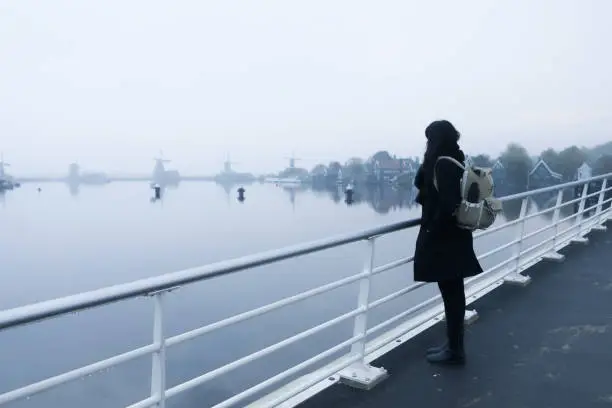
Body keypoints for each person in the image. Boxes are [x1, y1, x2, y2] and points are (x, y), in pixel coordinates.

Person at [413, 120, 483, 365]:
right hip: (455, 238)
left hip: (444, 240)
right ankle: (453, 345)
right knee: (454, 294)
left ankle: (455, 350)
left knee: (452, 295)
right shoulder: (454, 158)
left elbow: (445, 203)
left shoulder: (442, 164)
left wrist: (432, 230)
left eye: (429, 139)